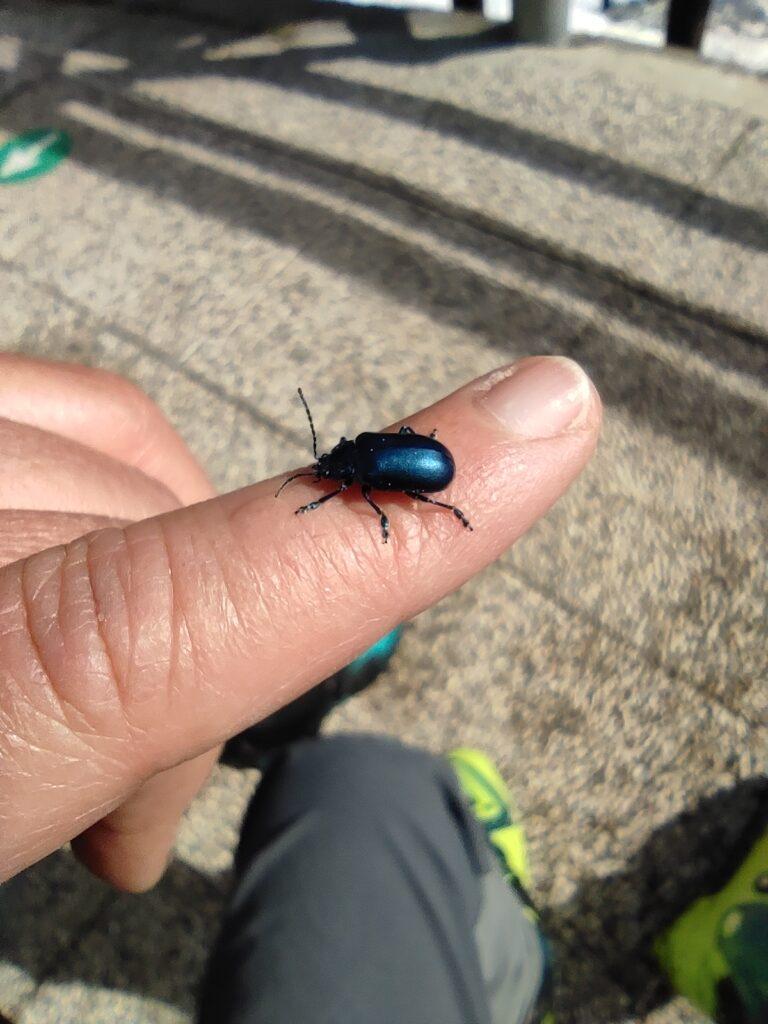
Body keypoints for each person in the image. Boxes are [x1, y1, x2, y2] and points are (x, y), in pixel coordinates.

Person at [8, 352, 762, 1021]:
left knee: (348, 777)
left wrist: (353, 496)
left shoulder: (360, 472)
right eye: (331, 473)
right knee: (353, 778)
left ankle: (494, 928)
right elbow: (373, 471)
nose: (331, 473)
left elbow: (377, 482)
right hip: (423, 463)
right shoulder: (360, 462)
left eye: (330, 472)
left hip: (430, 471)